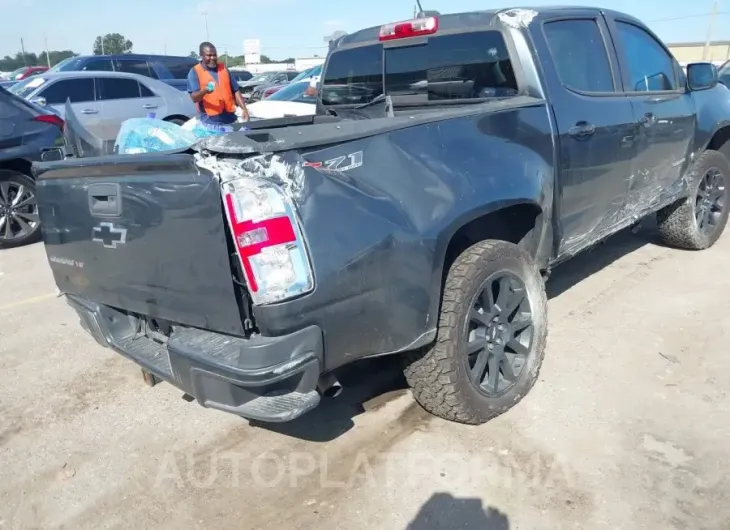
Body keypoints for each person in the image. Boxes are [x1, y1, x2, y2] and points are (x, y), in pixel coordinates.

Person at [187, 41, 250, 125]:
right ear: (201, 55)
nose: (212, 58)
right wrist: (205, 91)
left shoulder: (223, 68)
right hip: (210, 121)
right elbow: (194, 98)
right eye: (209, 55)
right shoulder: (195, 72)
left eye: (214, 55)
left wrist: (244, 109)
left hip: (230, 118)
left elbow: (236, 90)